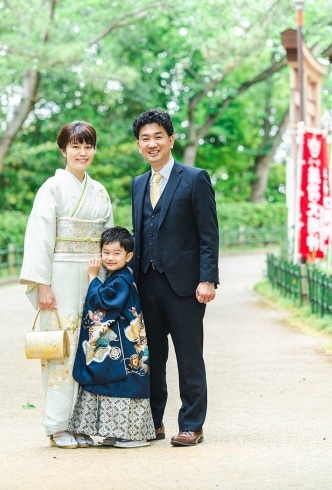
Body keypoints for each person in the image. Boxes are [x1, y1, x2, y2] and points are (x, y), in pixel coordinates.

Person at [19, 121, 114, 449]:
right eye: (76, 146)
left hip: (93, 274)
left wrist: (110, 278)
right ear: (63, 150)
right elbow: (40, 237)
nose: (83, 152)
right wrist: (42, 284)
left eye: (88, 146)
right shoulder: (52, 188)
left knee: (91, 347)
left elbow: (109, 239)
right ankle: (57, 425)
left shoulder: (100, 191)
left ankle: (82, 424)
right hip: (59, 274)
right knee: (63, 348)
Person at [129, 109, 219, 447]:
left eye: (158, 137)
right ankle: (153, 422)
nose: (152, 144)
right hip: (146, 284)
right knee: (151, 357)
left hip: (186, 286)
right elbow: (141, 233)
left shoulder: (195, 178)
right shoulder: (138, 183)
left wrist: (207, 279)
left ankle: (192, 424)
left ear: (171, 139)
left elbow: (208, 235)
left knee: (188, 355)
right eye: (145, 139)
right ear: (138, 145)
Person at [68, 226, 156, 448]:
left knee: (123, 381)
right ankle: (118, 433)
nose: (109, 257)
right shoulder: (118, 278)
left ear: (129, 256)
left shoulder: (121, 281)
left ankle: (134, 435)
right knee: (118, 381)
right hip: (126, 344)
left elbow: (105, 305)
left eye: (117, 253)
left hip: (126, 347)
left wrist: (92, 278)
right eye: (105, 252)